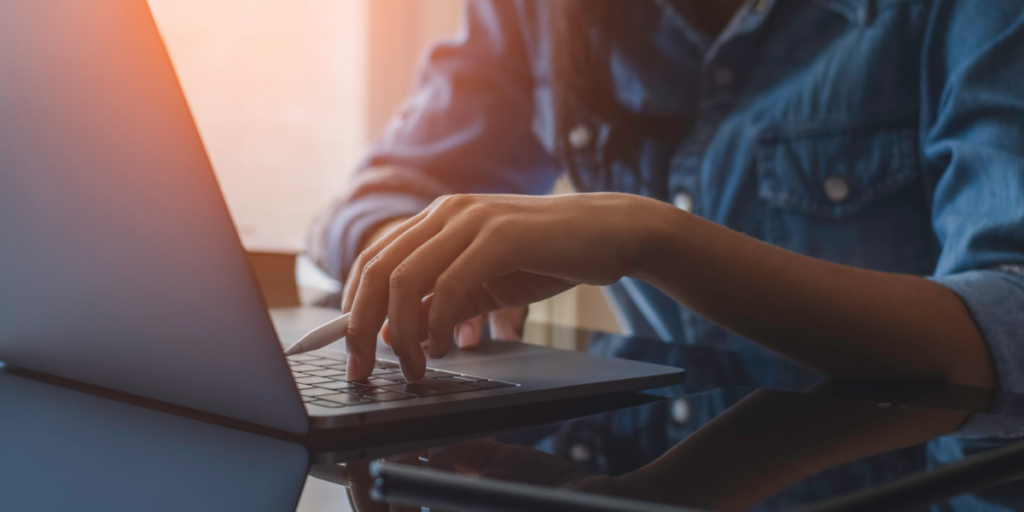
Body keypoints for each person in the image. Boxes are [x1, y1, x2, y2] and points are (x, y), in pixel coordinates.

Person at [307, 0, 1024, 390]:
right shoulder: (537, 14)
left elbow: (1008, 319)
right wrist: (416, 263)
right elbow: (376, 196)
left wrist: (653, 239)